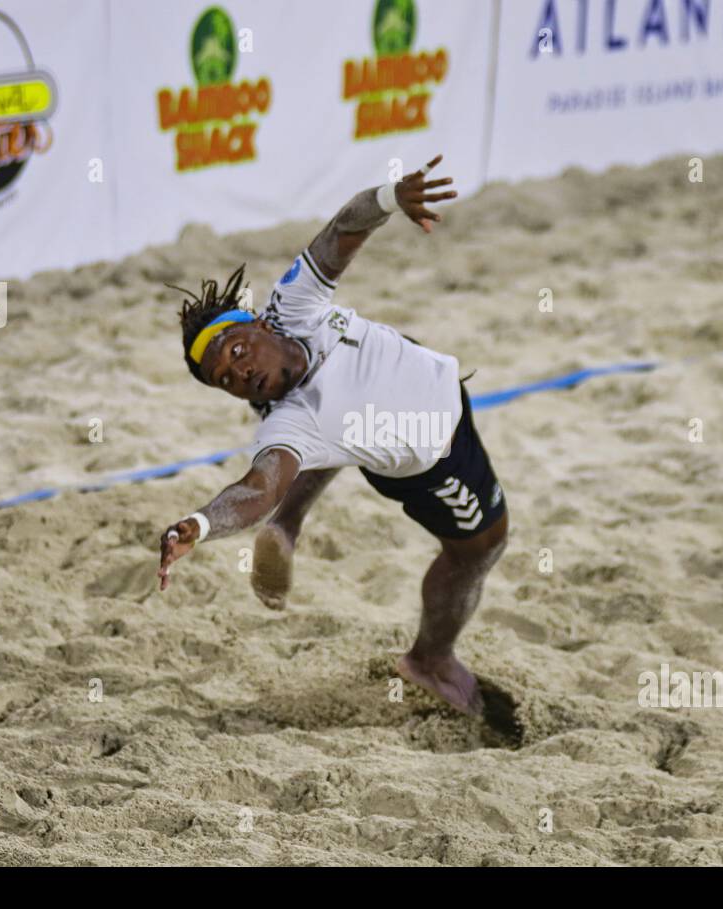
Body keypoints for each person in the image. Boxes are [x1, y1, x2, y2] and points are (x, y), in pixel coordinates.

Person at [157, 156, 507, 716]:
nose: (239, 373)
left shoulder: (293, 302)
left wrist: (394, 195)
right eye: (227, 380)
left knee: (335, 424)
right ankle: (430, 660)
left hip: (412, 379)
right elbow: (256, 489)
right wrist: (197, 524)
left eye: (238, 352)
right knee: (480, 549)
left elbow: (346, 226)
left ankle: (290, 524)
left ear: (262, 324)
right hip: (433, 460)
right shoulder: (286, 423)